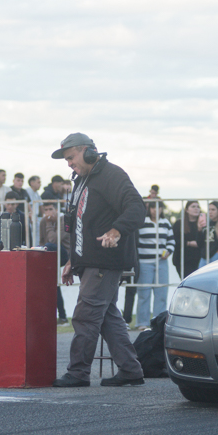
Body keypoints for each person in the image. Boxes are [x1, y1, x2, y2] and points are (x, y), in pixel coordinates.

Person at [52, 132, 146, 388]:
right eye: (66, 160)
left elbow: (136, 207)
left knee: (85, 316)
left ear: (88, 151)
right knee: (107, 317)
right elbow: (80, 225)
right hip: (91, 261)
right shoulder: (83, 179)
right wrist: (73, 260)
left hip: (104, 262)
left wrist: (116, 231)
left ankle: (78, 373)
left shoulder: (111, 174)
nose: (69, 163)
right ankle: (131, 369)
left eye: (71, 157)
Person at [135, 201, 174, 328]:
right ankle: (142, 322)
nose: (155, 210)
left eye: (158, 207)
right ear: (149, 209)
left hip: (161, 262)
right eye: (153, 207)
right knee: (144, 293)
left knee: (161, 293)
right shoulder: (142, 222)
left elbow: (171, 241)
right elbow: (136, 240)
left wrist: (168, 251)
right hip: (144, 262)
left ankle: (158, 322)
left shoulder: (166, 223)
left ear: (162, 209)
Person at [39, 201, 68, 323]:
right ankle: (61, 317)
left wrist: (49, 223)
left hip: (65, 254)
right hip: (51, 254)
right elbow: (41, 241)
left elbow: (53, 240)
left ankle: (62, 316)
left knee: (49, 245)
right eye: (46, 210)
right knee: (52, 284)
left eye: (50, 209)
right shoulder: (43, 221)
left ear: (56, 210)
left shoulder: (63, 219)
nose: (48, 212)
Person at [172, 200, 204, 278]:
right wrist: (188, 243)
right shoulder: (179, 224)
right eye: (193, 206)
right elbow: (174, 239)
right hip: (182, 260)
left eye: (198, 207)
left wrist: (200, 229)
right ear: (187, 210)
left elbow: (204, 241)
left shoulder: (202, 224)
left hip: (198, 259)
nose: (196, 209)